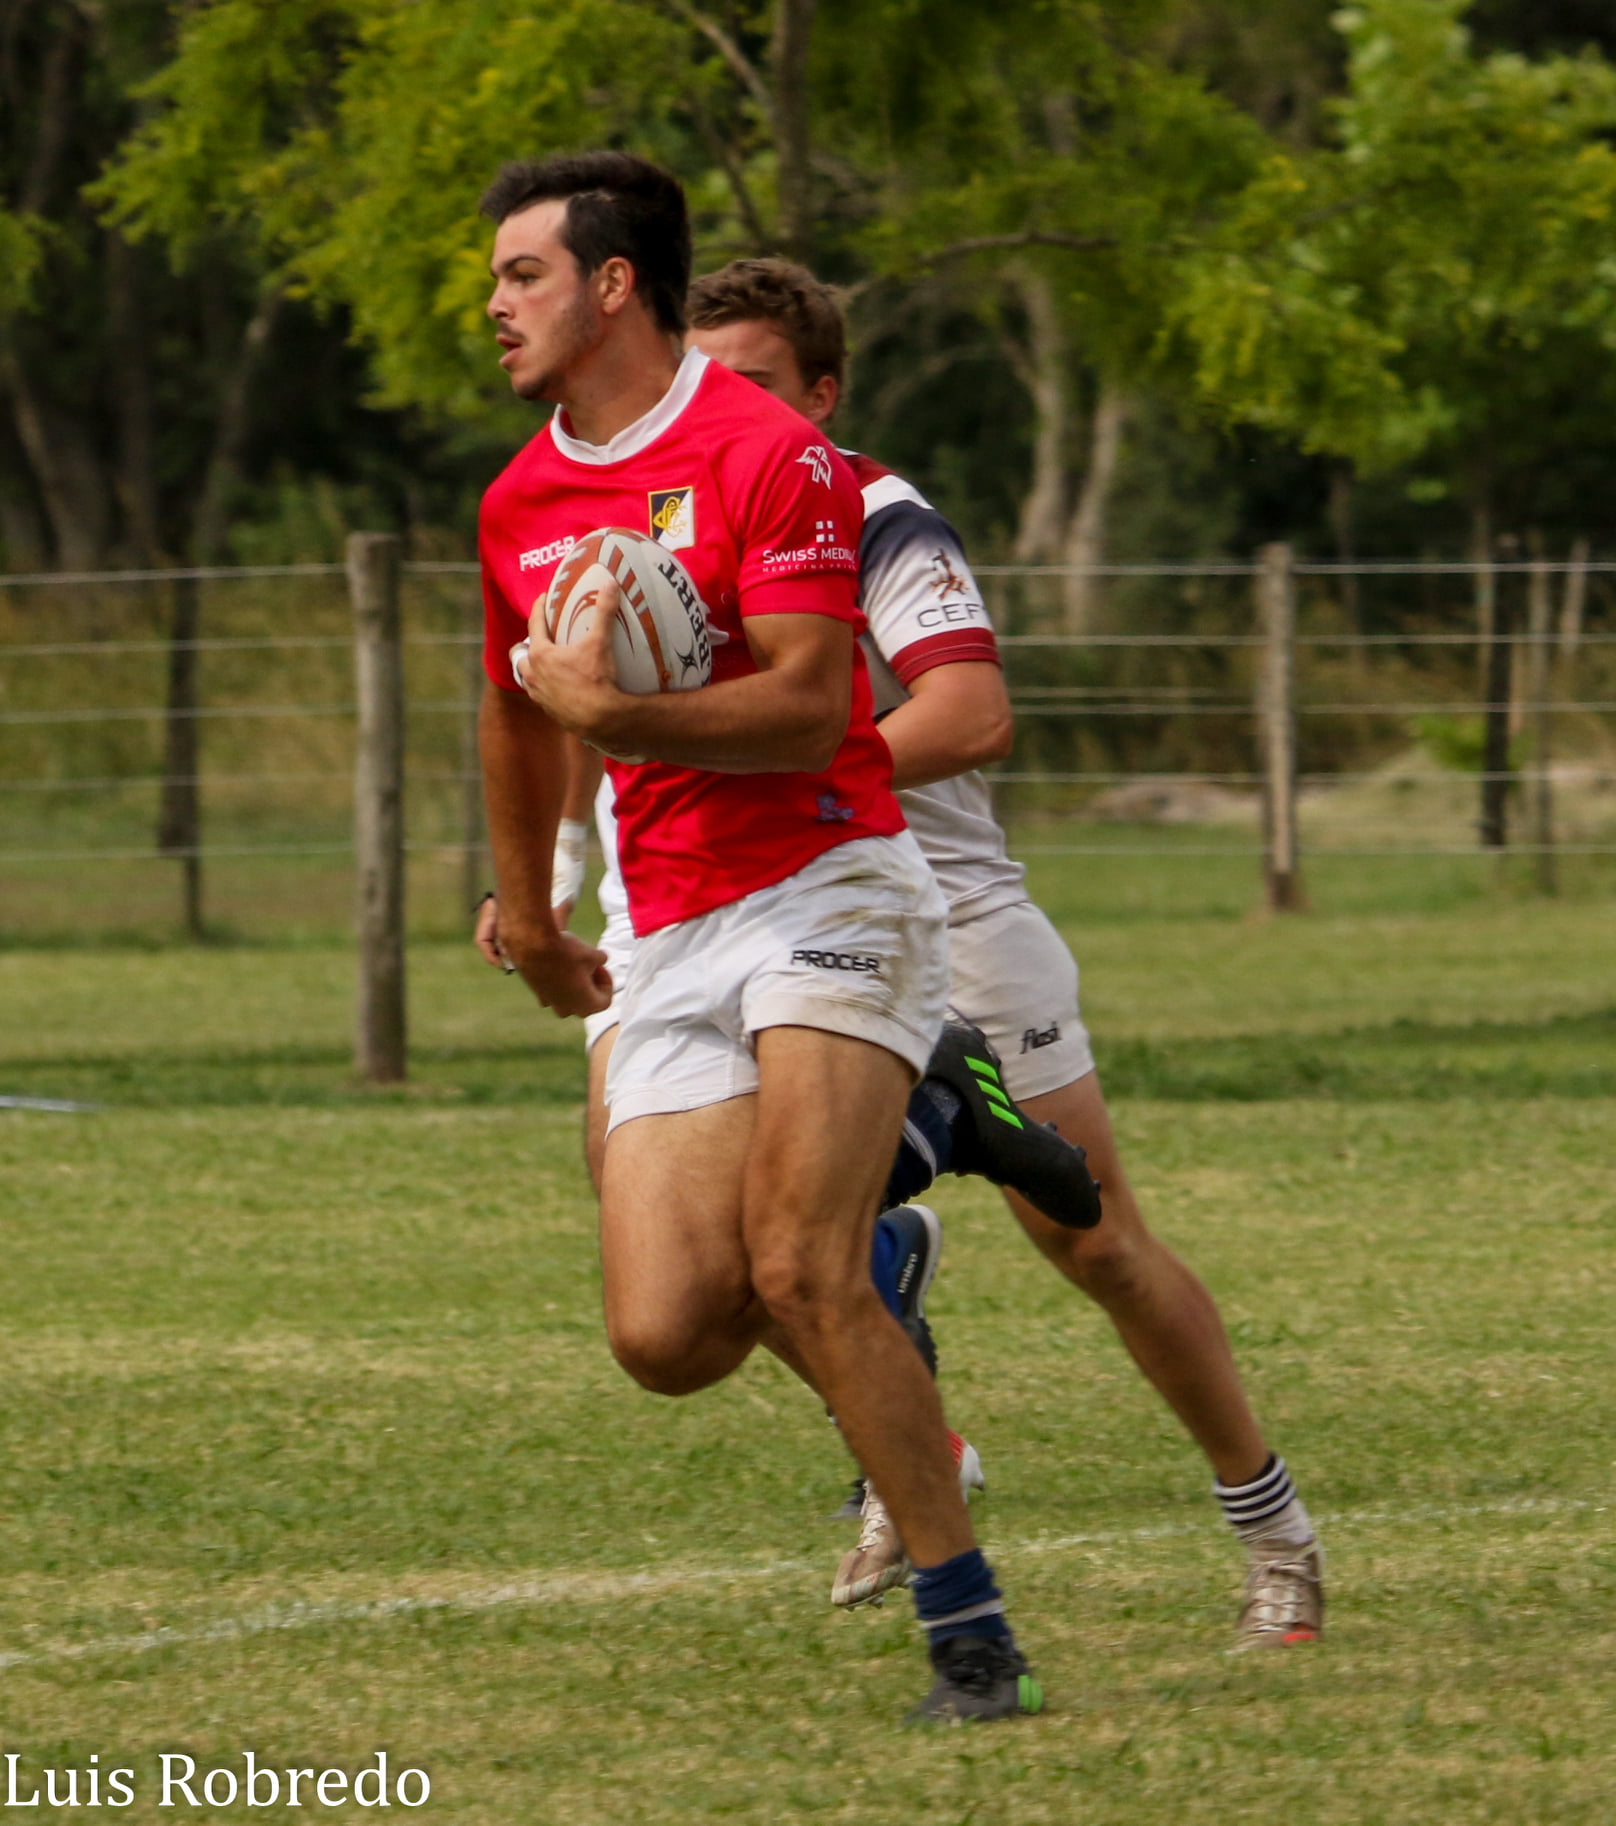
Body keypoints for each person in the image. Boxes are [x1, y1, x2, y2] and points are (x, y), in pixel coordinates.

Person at [603, 257, 1322, 1648]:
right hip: (768, 933)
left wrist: (787, 758)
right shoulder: (660, 524)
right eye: (700, 381)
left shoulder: (876, 514)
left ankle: (1275, 1529)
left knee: (1096, 1240)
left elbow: (972, 713)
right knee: (718, 1257)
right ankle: (913, 1382)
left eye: (751, 382)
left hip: (951, 922)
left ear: (823, 394)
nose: (717, 408)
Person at [475, 150, 1044, 1721]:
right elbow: (513, 715)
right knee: (665, 1333)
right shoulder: (520, 496)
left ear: (609, 285)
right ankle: (917, 1145)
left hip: (830, 888)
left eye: (523, 273)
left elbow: (811, 707)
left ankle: (969, 1634)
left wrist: (617, 705)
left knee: (799, 1267)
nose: (495, 302)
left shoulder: (769, 451)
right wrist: (529, 914)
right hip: (663, 922)